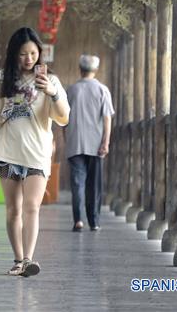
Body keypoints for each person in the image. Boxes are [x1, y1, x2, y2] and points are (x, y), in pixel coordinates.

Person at [0, 26, 70, 277]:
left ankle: (29, 259)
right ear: (13, 55)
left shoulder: (51, 81)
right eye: (22, 54)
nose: (29, 59)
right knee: (13, 210)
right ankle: (18, 259)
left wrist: (51, 93)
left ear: (40, 54)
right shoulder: (0, 79)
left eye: (33, 53)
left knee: (32, 207)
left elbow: (63, 117)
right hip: (7, 151)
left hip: (37, 154)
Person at [65, 53, 114, 232]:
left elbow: (64, 119)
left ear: (80, 69)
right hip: (96, 144)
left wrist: (66, 139)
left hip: (75, 142)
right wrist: (105, 142)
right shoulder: (102, 90)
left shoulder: (71, 90)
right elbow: (107, 118)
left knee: (78, 184)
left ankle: (78, 220)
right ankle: (94, 221)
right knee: (94, 185)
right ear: (96, 70)